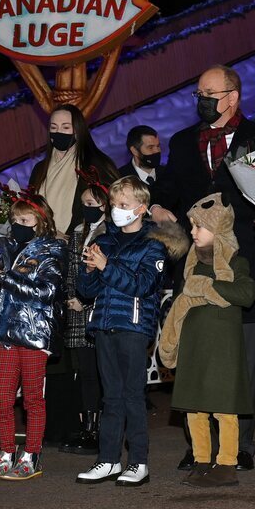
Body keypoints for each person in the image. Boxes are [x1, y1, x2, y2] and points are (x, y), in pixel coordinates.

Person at [150, 64, 255, 472]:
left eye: (209, 93)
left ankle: (240, 445)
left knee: (240, 359)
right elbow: (169, 189)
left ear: (232, 97)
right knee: (195, 355)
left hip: (244, 263)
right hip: (193, 265)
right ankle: (198, 446)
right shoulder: (183, 141)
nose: (202, 100)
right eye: (199, 94)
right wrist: (156, 205)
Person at [75, 176, 189, 487]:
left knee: (132, 397)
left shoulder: (153, 244)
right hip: (104, 326)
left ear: (140, 209)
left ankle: (138, 462)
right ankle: (108, 459)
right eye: (113, 205)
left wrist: (105, 266)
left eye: (123, 205)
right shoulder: (106, 241)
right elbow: (86, 291)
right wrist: (88, 271)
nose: (116, 210)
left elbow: (142, 285)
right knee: (110, 397)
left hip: (134, 328)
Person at [159, 193, 255, 488]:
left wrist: (208, 286)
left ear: (218, 229)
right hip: (194, 346)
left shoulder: (236, 262)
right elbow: (180, 304)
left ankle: (227, 463)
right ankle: (202, 460)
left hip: (222, 349)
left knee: (224, 407)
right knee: (194, 407)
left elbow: (245, 294)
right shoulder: (190, 265)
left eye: (198, 227)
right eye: (192, 226)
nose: (192, 232)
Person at [0, 192, 67, 481]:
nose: (18, 225)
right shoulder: (7, 250)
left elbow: (46, 293)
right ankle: (6, 453)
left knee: (32, 400)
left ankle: (31, 456)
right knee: (1, 400)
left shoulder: (51, 252)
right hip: (6, 335)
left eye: (24, 220)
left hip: (34, 335)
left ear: (40, 222)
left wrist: (9, 279)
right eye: (14, 220)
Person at [59, 176, 109, 454]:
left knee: (95, 372)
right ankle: (88, 427)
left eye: (91, 203)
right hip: (76, 312)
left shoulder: (109, 232)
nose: (86, 208)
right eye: (83, 204)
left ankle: (98, 429)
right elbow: (71, 272)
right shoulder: (79, 231)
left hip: (95, 311)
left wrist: (84, 302)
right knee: (83, 371)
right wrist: (70, 297)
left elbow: (105, 275)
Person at [29, 104, 119, 235]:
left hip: (83, 243)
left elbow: (115, 203)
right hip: (43, 243)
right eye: (53, 127)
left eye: (65, 127)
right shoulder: (39, 169)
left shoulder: (96, 165)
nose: (58, 132)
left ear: (77, 130)